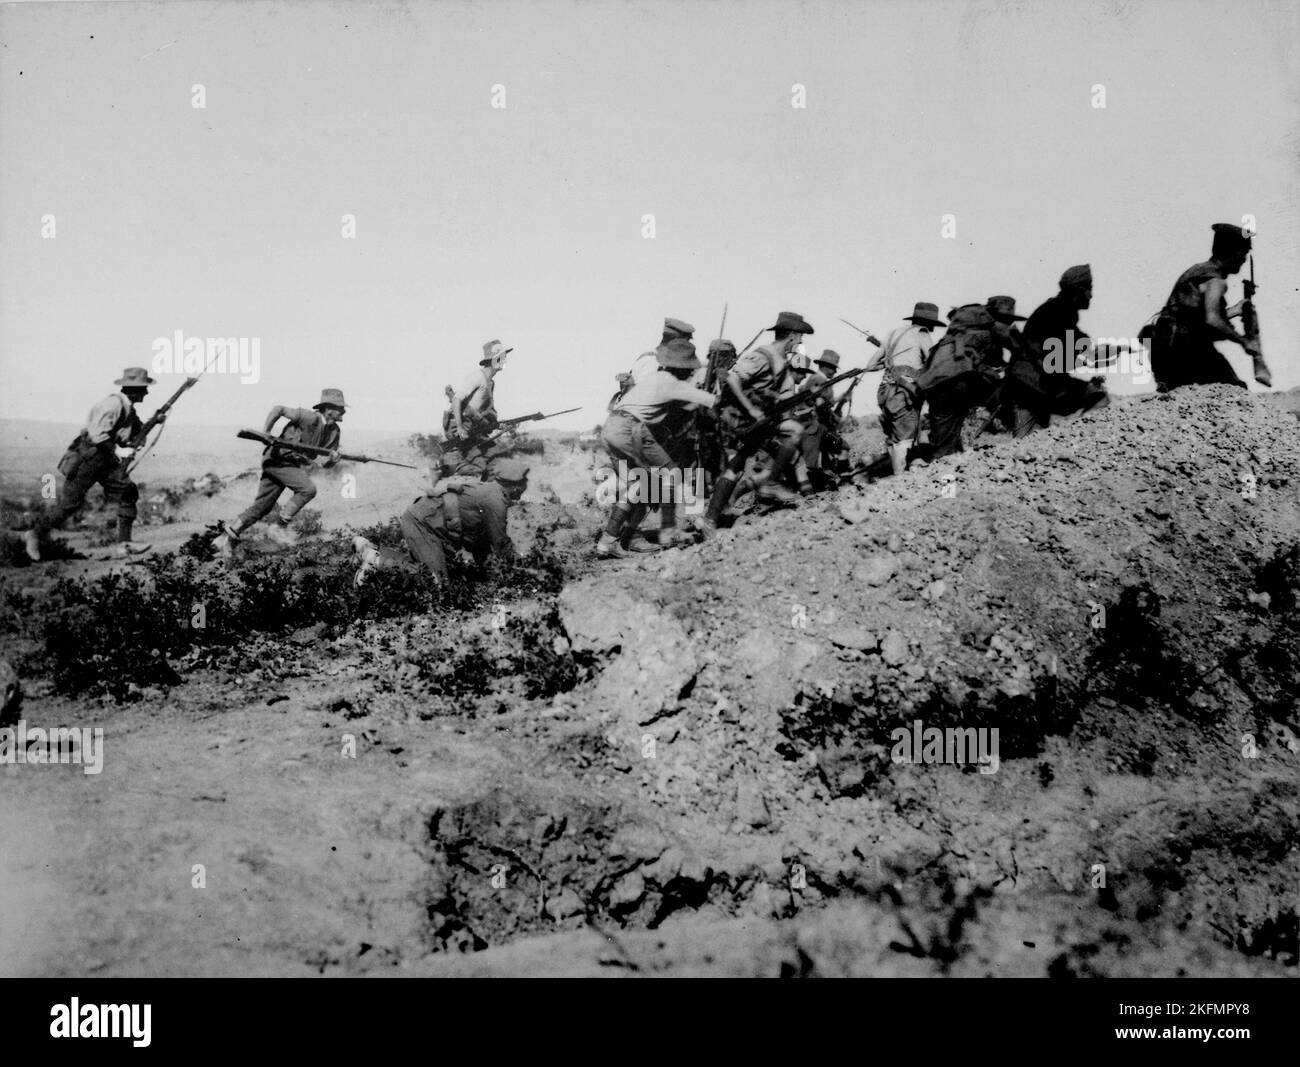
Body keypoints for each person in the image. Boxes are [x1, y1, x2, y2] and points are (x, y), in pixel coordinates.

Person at [25, 367, 164, 560]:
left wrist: (155, 421)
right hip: (89, 458)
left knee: (127, 491)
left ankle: (124, 543)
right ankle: (34, 534)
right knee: (70, 504)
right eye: (144, 389)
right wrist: (118, 450)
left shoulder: (129, 409)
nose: (147, 393)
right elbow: (97, 435)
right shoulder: (113, 405)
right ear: (133, 389)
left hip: (104, 459)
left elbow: (135, 434)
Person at [596, 338, 715, 557]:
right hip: (633, 429)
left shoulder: (655, 376)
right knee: (660, 479)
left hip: (613, 427)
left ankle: (610, 540)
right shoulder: (671, 382)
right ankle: (667, 531)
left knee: (641, 484)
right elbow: (711, 402)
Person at [354, 456, 529, 586]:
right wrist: (519, 574)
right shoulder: (495, 501)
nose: (525, 487)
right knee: (435, 583)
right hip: (423, 523)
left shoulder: (491, 492)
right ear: (515, 486)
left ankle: (373, 552)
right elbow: (499, 543)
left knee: (426, 567)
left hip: (428, 521)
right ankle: (377, 562)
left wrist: (485, 574)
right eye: (524, 483)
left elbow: (480, 542)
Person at [706, 310, 814, 520]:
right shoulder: (763, 355)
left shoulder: (782, 361)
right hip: (739, 418)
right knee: (794, 431)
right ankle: (770, 483)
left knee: (736, 466)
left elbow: (780, 397)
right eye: (800, 336)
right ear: (791, 335)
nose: (800, 341)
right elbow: (733, 379)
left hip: (755, 419)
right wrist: (751, 408)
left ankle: (710, 518)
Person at [219, 389, 344, 548]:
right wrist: (266, 432)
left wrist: (333, 461)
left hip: (289, 464)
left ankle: (226, 539)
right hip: (276, 459)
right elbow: (279, 409)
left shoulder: (333, 432)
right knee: (308, 489)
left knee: (262, 507)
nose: (343, 412)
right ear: (328, 409)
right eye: (339, 408)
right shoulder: (308, 416)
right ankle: (279, 527)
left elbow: (324, 463)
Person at [1149, 223, 1260, 392]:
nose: (1244, 260)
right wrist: (1244, 341)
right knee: (1232, 391)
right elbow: (1212, 320)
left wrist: (1234, 310)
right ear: (1232, 253)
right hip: (1184, 349)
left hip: (1164, 348)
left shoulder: (1198, 271)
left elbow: (1194, 317)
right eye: (1243, 253)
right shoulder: (1215, 280)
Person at [1007, 268, 1109, 438]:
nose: (1091, 295)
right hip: (1037, 384)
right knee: (1098, 398)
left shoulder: (1054, 309)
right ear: (1078, 290)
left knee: (1025, 444)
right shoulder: (1062, 311)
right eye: (1088, 289)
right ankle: (1084, 443)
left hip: (1023, 384)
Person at [866, 302, 945, 474]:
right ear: (929, 322)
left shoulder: (892, 334)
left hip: (885, 391)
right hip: (904, 392)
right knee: (904, 439)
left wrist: (889, 362)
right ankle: (900, 481)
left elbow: (870, 366)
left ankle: (906, 473)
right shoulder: (922, 333)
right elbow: (933, 362)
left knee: (897, 437)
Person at [445, 339, 511, 442]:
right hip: (462, 429)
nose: (505, 361)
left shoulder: (490, 383)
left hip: (475, 429)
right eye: (502, 358)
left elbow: (486, 411)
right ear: (494, 360)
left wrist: (499, 425)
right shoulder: (477, 377)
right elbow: (456, 399)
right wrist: (459, 428)